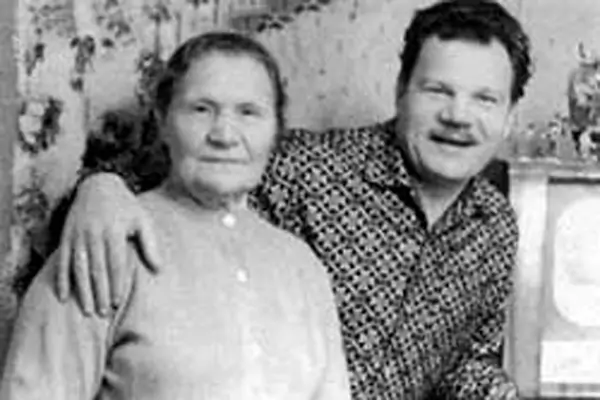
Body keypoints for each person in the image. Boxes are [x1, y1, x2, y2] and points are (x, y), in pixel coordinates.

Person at [51, 0, 534, 398]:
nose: (458, 116)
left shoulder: (495, 224)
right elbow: (182, 171)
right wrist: (101, 187)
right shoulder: (307, 168)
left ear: (510, 115)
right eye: (438, 90)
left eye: (485, 99)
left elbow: (467, 363)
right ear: (400, 91)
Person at [0, 32, 350, 399]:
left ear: (276, 130)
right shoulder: (105, 244)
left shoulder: (302, 268)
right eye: (201, 109)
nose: (224, 135)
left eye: (249, 112)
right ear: (163, 120)